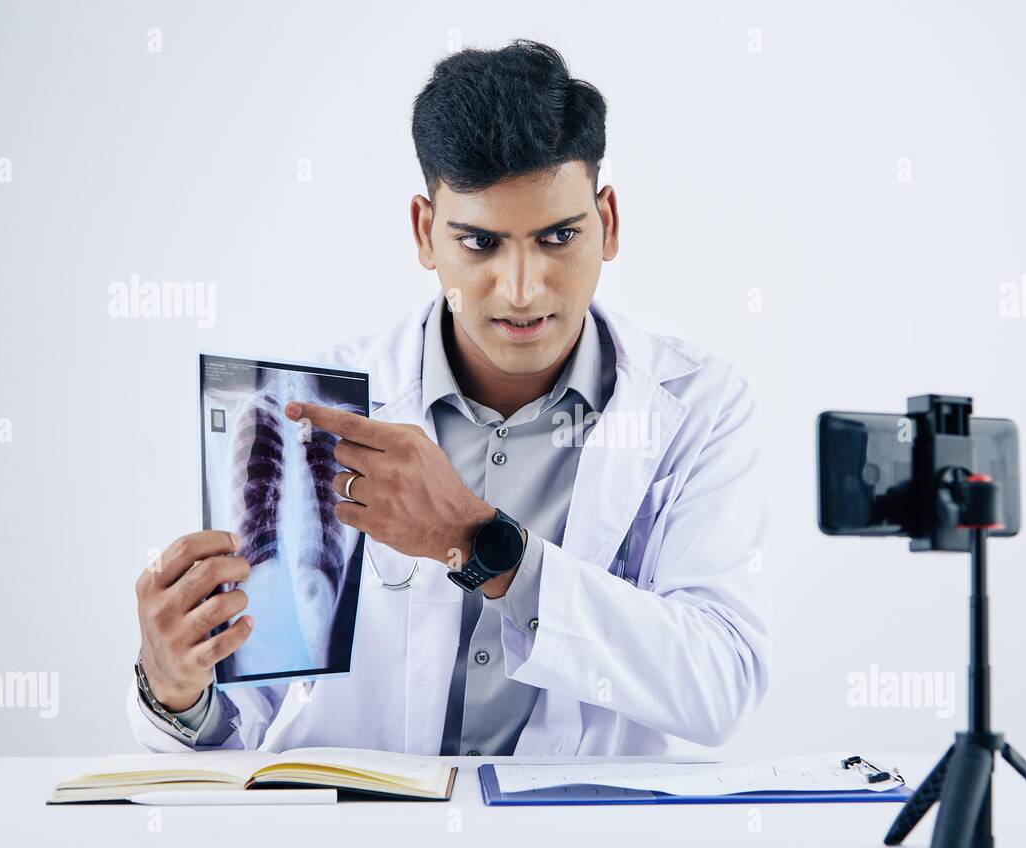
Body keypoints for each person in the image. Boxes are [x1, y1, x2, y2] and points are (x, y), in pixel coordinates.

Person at [129, 39, 769, 757]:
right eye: (480, 243)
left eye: (558, 236)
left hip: (581, 841)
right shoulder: (312, 409)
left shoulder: (699, 407)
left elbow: (721, 684)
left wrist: (477, 544)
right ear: (424, 233)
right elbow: (237, 731)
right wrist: (174, 688)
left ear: (608, 224)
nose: (522, 287)